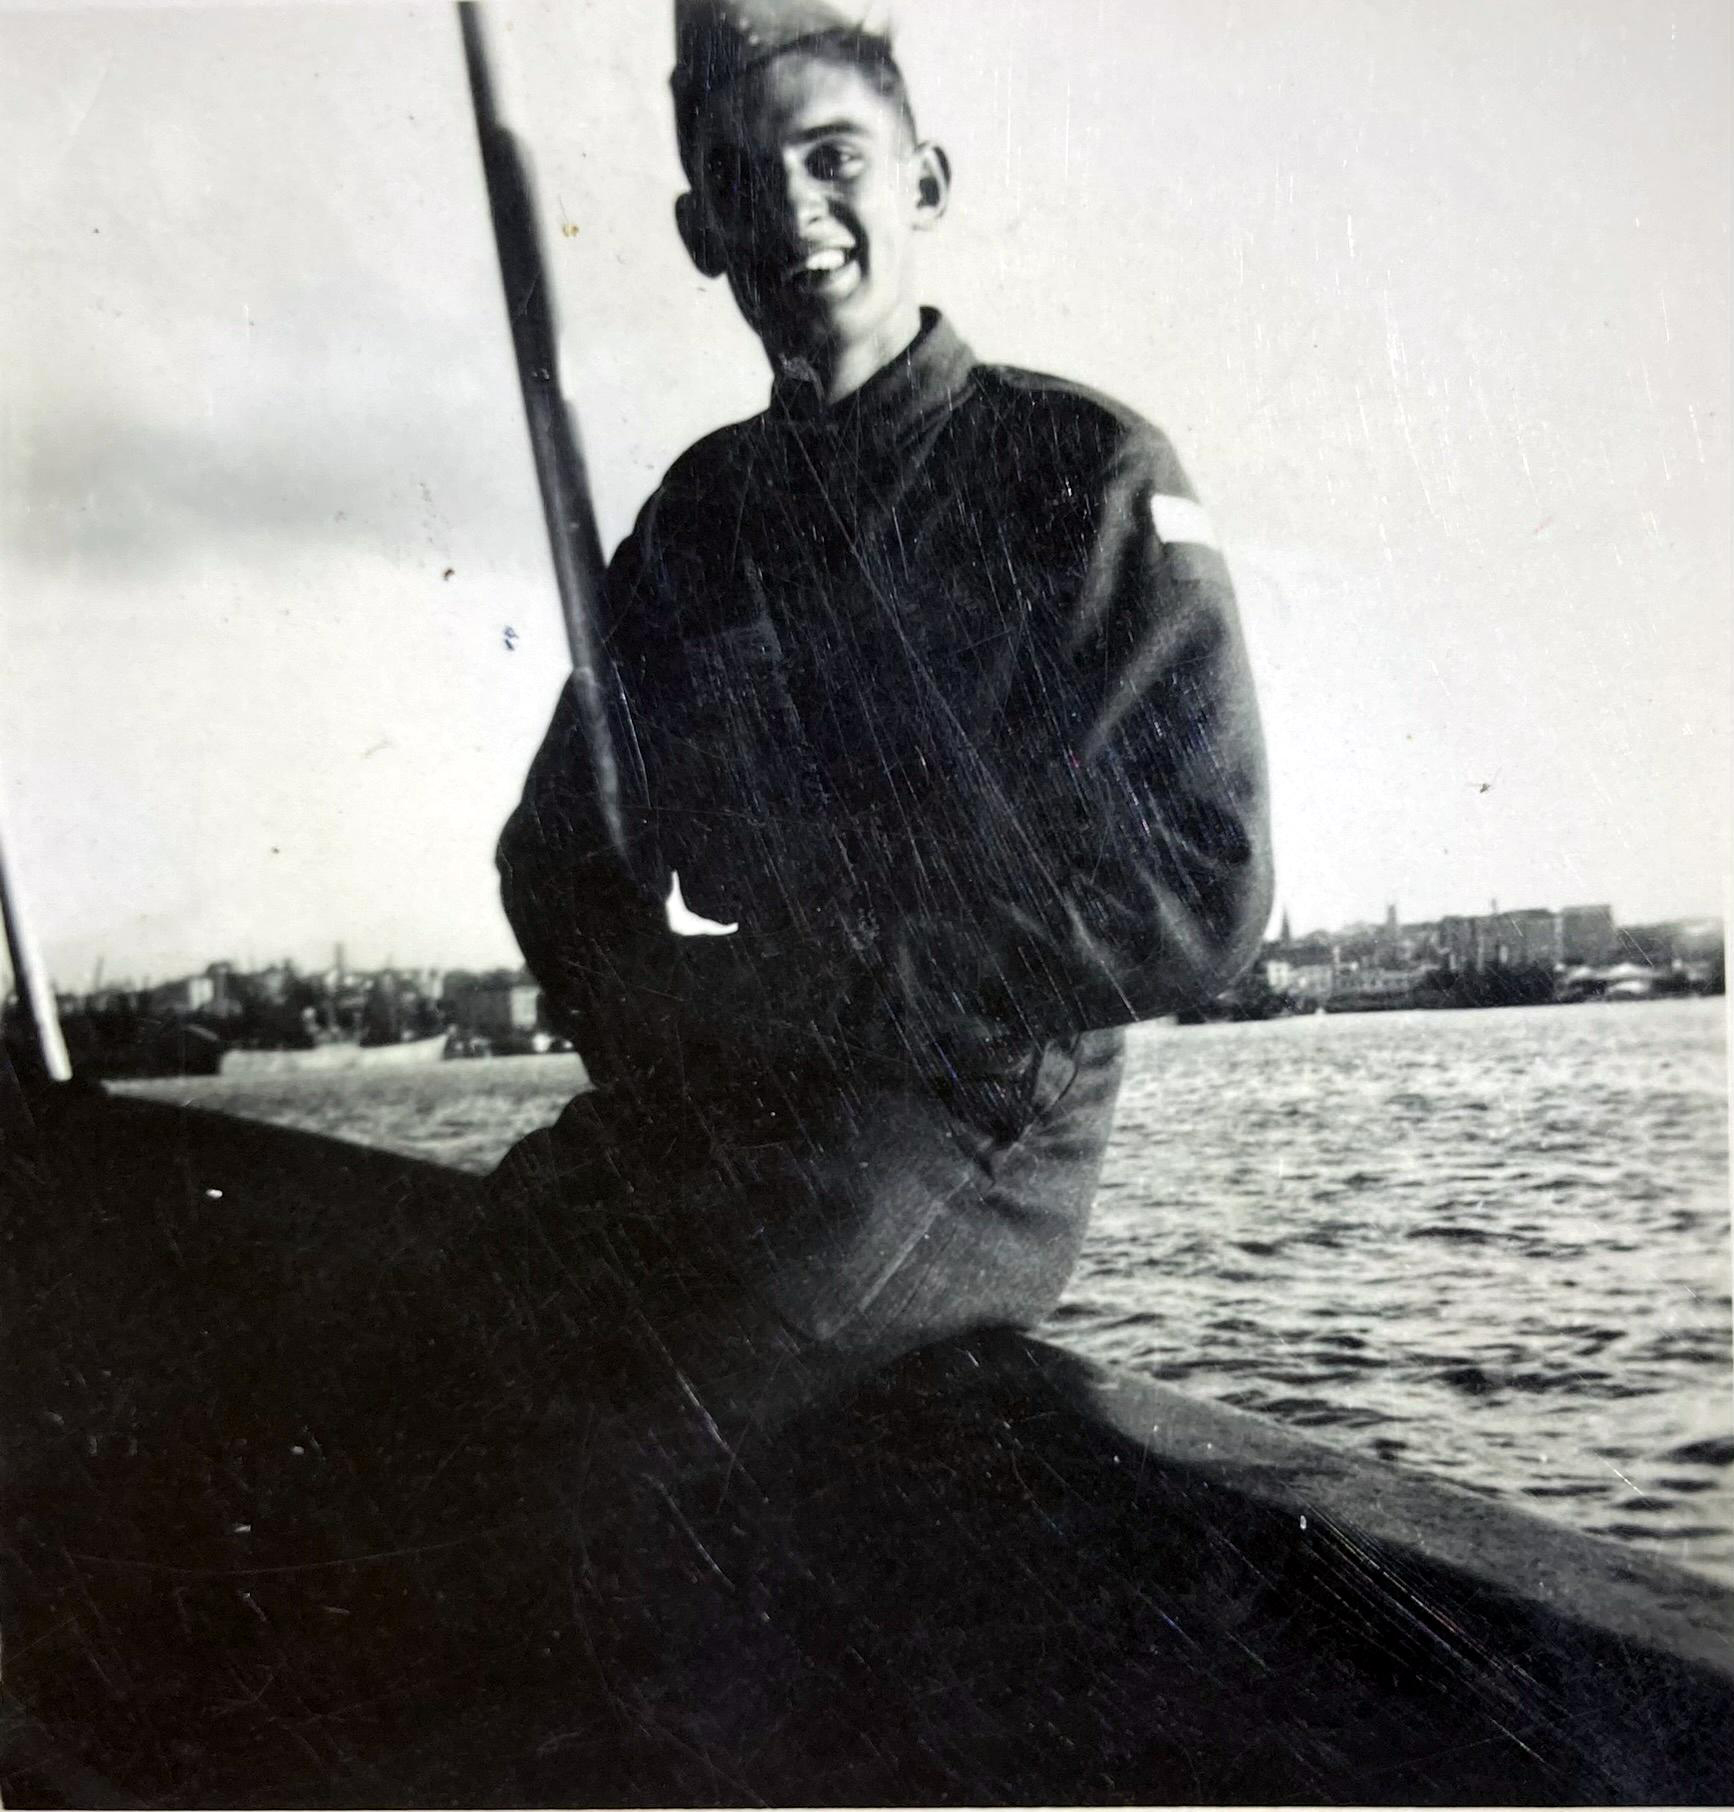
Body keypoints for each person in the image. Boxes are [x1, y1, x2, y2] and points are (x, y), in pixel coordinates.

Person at [491, 0, 1272, 1460]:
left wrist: (825, 989)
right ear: (697, 233)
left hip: (970, 1110)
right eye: (743, 179)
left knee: (643, 1411)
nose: (794, 208)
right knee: (452, 1317)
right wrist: (656, 1031)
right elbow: (555, 853)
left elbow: (1196, 890)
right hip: (724, 1090)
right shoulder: (700, 515)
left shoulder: (1079, 473)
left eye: (833, 156)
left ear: (924, 182)